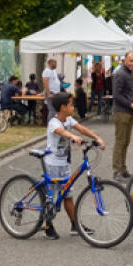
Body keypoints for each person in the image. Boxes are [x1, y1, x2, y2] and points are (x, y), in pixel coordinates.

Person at [41, 91, 105, 239]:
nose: (73, 107)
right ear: (63, 107)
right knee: (51, 197)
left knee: (68, 195)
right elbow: (62, 132)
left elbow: (82, 129)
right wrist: (73, 137)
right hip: (52, 164)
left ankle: (75, 225)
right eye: (70, 104)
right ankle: (47, 225)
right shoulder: (54, 122)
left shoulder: (68, 119)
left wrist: (97, 138)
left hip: (64, 164)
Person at [111, 51, 133, 181]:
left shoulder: (129, 73)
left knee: (125, 142)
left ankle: (123, 169)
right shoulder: (120, 74)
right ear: (125, 60)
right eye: (131, 61)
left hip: (128, 112)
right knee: (120, 142)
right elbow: (117, 95)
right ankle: (117, 171)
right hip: (121, 112)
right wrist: (132, 105)